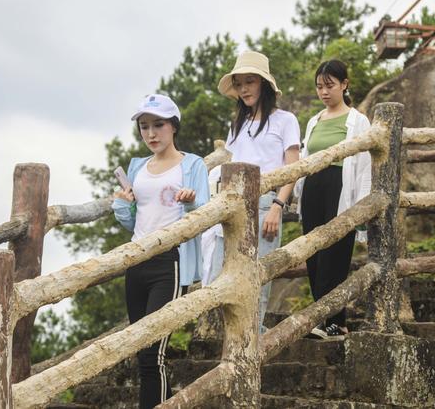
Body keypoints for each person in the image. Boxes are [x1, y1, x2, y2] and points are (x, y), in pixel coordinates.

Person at [112, 93, 209, 409]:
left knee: (153, 353)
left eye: (158, 125)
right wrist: (121, 203)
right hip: (136, 261)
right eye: (144, 127)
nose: (151, 134)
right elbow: (133, 220)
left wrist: (191, 200)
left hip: (170, 262)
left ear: (173, 126)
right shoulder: (137, 166)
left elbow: (205, 213)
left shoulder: (192, 164)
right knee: (142, 352)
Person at [204, 51, 300, 333]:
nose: (244, 89)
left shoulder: (285, 120)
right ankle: (241, 340)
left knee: (256, 279)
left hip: (266, 203)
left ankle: (253, 341)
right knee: (225, 278)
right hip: (232, 205)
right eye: (239, 83)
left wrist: (277, 206)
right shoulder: (238, 125)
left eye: (250, 82)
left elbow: (293, 167)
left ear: (264, 84)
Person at [295, 59, 372, 338]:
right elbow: (305, 158)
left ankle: (336, 321)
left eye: (329, 85)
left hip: (340, 186)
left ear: (344, 85)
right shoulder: (314, 121)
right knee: (313, 254)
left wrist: (363, 204)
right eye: (319, 87)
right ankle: (321, 318)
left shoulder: (358, 120)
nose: (324, 92)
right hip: (313, 187)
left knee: (335, 255)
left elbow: (364, 165)